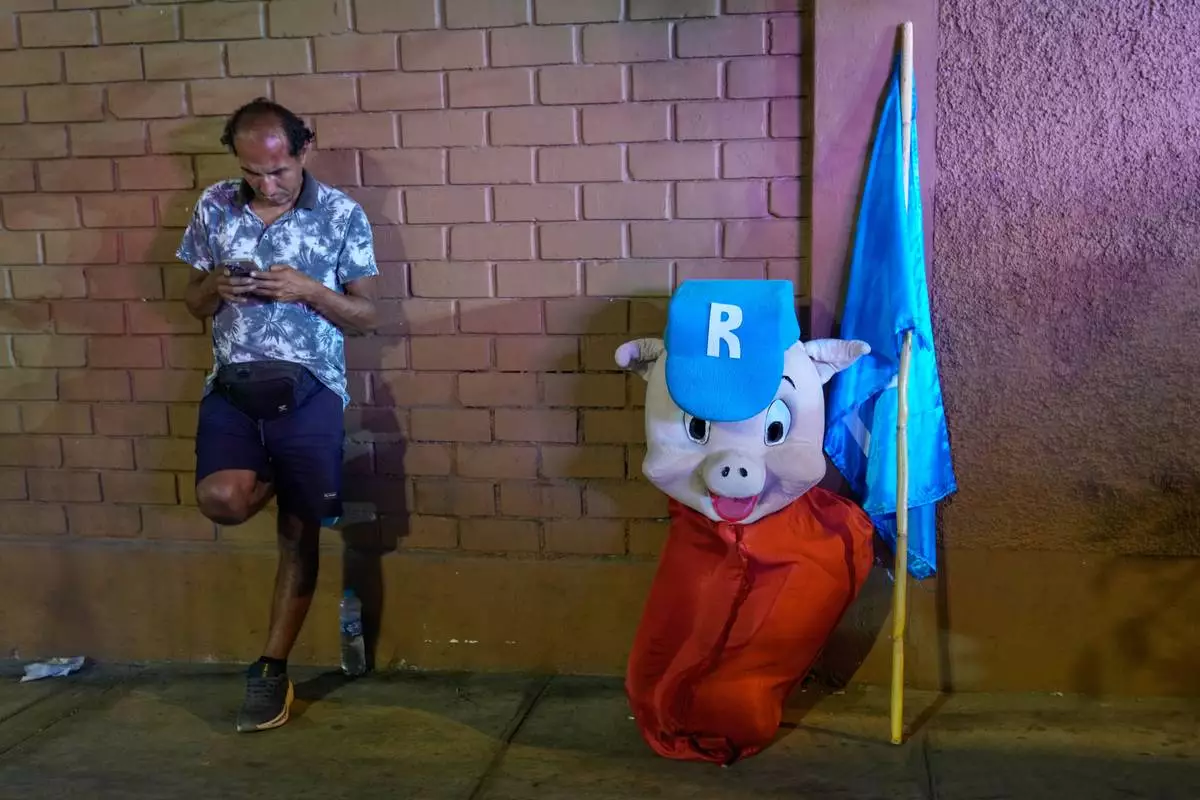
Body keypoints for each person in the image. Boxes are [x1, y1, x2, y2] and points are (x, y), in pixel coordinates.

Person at [178, 98, 379, 733]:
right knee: (223, 501)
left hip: (313, 390)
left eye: (279, 172)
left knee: (300, 531)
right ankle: (288, 477)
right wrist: (216, 287)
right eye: (253, 172)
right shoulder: (214, 205)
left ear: (301, 151)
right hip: (233, 389)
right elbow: (191, 303)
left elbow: (369, 317)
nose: (266, 185)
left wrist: (311, 290)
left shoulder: (342, 214)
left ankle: (270, 669)